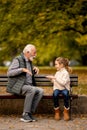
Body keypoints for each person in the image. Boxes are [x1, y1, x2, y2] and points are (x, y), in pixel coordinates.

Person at [7, 44, 44, 122]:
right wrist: (22, 70)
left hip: (27, 86)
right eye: (34, 52)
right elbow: (9, 73)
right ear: (27, 52)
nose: (35, 55)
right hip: (17, 86)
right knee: (32, 90)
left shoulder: (29, 61)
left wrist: (34, 69)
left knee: (40, 91)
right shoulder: (17, 60)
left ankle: (29, 113)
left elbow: (29, 74)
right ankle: (25, 114)